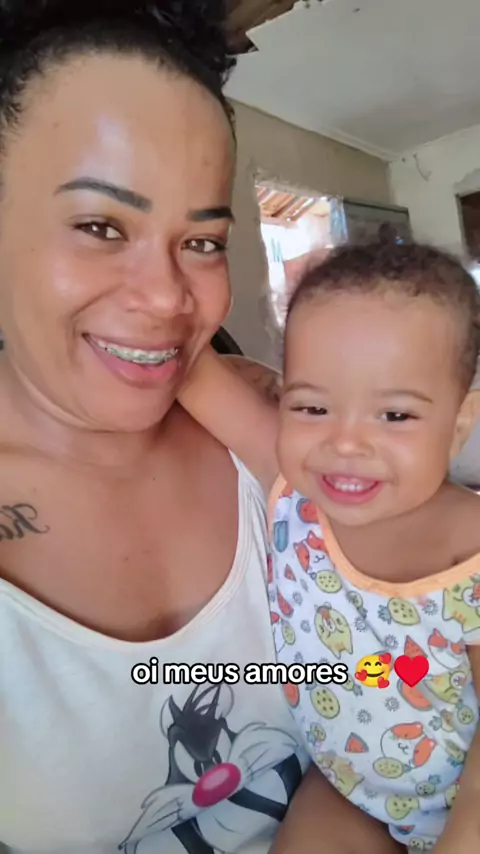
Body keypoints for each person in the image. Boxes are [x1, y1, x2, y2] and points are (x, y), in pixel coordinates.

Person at [0, 2, 404, 853]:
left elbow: (423, 627)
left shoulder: (268, 431)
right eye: (101, 227)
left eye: (203, 242)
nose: (167, 298)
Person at [179, 242, 480, 854]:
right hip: (345, 789)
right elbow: (187, 366)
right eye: (313, 406)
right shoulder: (294, 491)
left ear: (459, 424)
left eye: (394, 416)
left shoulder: (469, 552)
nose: (345, 443)